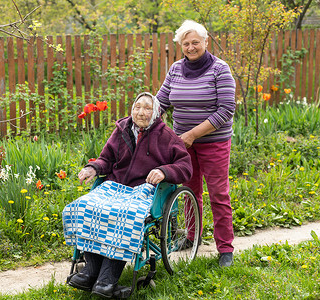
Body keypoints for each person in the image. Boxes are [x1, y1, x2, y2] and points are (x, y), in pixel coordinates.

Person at [63, 92, 192, 298]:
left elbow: (185, 167)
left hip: (144, 190)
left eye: (147, 108)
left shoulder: (166, 136)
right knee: (84, 206)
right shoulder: (121, 129)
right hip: (114, 186)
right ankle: (90, 271)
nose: (141, 112)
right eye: (137, 107)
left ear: (156, 112)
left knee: (123, 215)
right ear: (132, 109)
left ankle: (107, 280)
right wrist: (93, 168)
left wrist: (164, 171)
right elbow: (106, 158)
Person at [156, 20, 236, 267]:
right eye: (186, 43)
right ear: (180, 45)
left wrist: (192, 135)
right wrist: (143, 118)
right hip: (183, 144)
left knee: (218, 194)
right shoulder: (176, 69)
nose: (191, 47)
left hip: (214, 143)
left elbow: (226, 110)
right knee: (189, 190)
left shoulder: (220, 69)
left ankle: (225, 249)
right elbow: (161, 101)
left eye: (195, 43)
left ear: (206, 42)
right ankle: (192, 237)